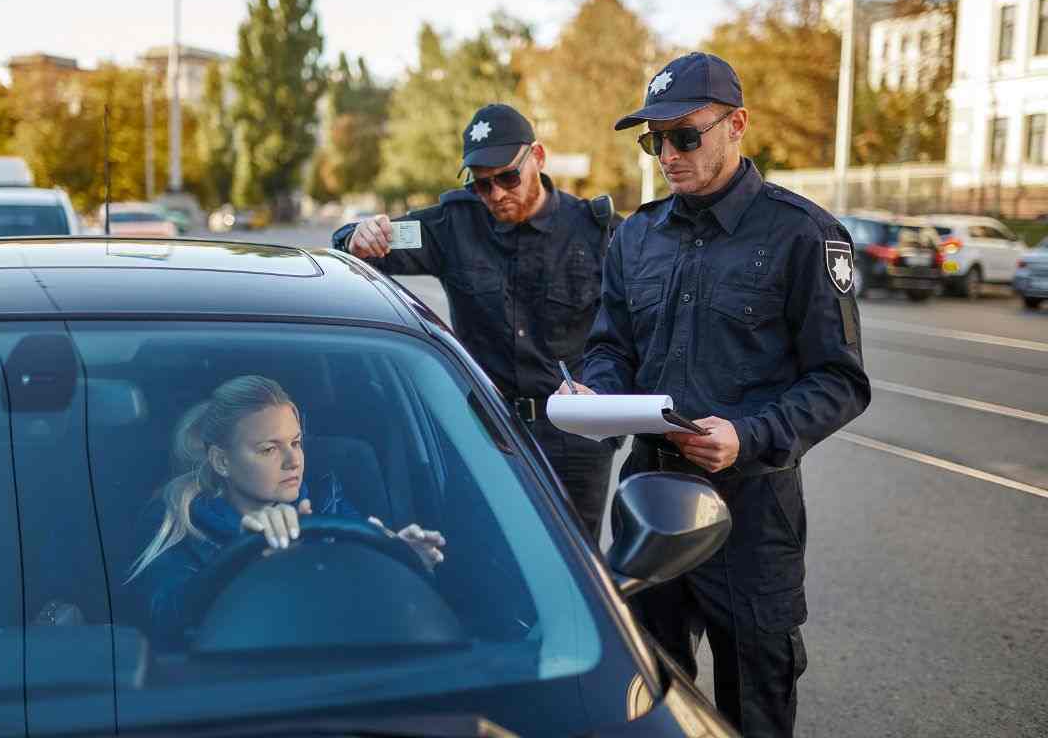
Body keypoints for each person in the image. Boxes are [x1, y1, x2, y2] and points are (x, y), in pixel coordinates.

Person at [558, 52, 871, 737]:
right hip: (649, 505)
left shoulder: (803, 235)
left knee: (753, 705)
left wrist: (749, 435)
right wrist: (596, 394)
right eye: (654, 140)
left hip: (751, 515)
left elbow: (840, 381)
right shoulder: (636, 237)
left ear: (739, 126)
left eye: (685, 136)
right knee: (647, 702)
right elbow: (614, 346)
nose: (667, 154)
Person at [332, 104, 617, 538]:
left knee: (575, 565)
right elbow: (360, 246)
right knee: (486, 550)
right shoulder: (453, 225)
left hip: (572, 435)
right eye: (482, 185)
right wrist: (357, 234)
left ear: (537, 157)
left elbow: (628, 335)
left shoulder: (595, 231)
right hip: (486, 431)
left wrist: (608, 414)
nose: (496, 194)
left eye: (507, 178)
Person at [126, 375, 445, 646]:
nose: (293, 461)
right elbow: (161, 624)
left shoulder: (325, 500)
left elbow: (365, 597)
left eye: (296, 442)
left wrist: (399, 558)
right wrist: (245, 561)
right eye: (269, 449)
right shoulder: (175, 521)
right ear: (222, 461)